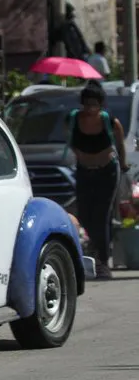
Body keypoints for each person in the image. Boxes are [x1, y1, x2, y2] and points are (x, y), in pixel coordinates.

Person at [66, 80, 129, 279]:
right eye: (87, 103)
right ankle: (93, 253)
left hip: (107, 172)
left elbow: (120, 145)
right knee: (84, 214)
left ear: (101, 104)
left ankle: (102, 262)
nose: (91, 108)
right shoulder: (73, 119)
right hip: (84, 171)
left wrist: (124, 164)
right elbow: (69, 141)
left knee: (102, 216)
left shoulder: (110, 121)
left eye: (95, 104)